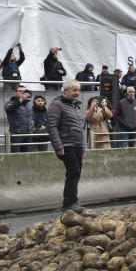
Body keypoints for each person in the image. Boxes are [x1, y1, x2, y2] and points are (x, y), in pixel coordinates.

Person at [47, 80, 86, 213]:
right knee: (73, 172)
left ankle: (72, 202)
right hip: (66, 145)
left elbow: (79, 128)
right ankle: (69, 203)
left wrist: (83, 147)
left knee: (76, 173)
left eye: (78, 90)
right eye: (74, 90)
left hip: (77, 146)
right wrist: (58, 146)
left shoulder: (75, 106)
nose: (77, 93)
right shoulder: (57, 104)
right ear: (66, 90)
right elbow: (52, 126)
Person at [4, 84, 35, 153]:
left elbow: (32, 117)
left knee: (27, 155)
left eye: (24, 91)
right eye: (20, 91)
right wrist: (20, 100)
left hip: (28, 133)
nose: (22, 93)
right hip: (17, 134)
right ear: (15, 93)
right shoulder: (10, 103)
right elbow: (9, 109)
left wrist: (32, 128)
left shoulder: (28, 104)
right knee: (15, 156)